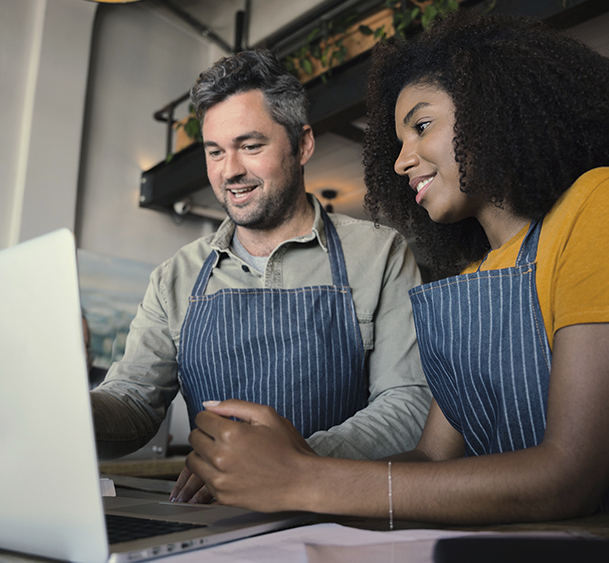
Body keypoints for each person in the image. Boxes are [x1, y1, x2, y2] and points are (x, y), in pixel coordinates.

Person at [183, 11, 609, 523]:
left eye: (421, 126)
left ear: (494, 107)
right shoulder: (473, 278)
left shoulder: (602, 203)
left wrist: (303, 478)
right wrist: (299, 459)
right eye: (397, 143)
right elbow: (429, 461)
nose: (401, 161)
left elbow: (570, 477)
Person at [89, 50, 432, 501]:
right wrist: (63, 405)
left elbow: (408, 406)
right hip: (215, 521)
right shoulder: (176, 277)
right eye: (216, 152)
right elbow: (133, 403)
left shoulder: (380, 253)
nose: (230, 171)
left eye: (250, 146)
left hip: (339, 515)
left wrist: (289, 465)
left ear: (303, 143)